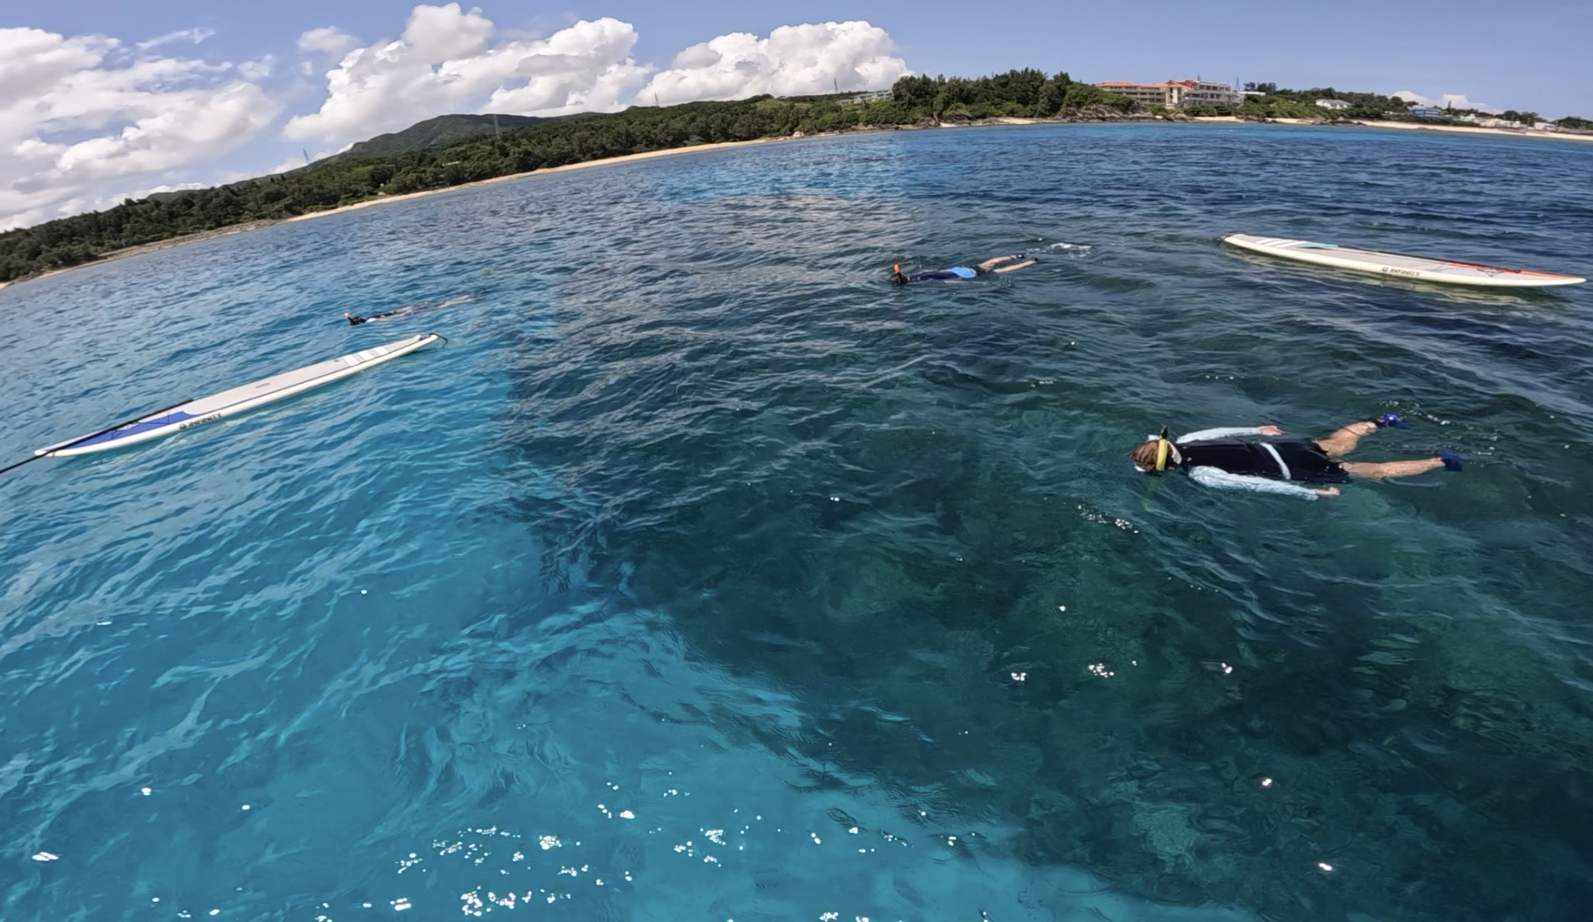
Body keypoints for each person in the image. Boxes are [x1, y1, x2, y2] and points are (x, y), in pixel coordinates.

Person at [1128, 413, 1462, 500]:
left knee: (1374, 471)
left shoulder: (1203, 475)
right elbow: (1217, 432)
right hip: (1284, 447)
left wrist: (1310, 493)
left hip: (1293, 467)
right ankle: (1381, 422)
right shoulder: (1187, 440)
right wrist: (1259, 430)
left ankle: (1440, 461)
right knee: (1337, 443)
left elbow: (1258, 487)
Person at [890, 253, 1037, 285]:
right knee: (993, 261)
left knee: (1005, 270)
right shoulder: (919, 275)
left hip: (971, 275)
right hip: (964, 270)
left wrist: (968, 284)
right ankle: (1017, 256)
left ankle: (1030, 262)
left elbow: (946, 281)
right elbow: (939, 273)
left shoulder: (922, 281)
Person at [345, 294, 473, 325]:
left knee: (438, 307)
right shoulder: (369, 317)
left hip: (405, 313)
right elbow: (393, 313)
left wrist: (404, 316)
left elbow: (388, 319)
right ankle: (463, 298)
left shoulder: (369, 321)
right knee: (438, 304)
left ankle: (463, 299)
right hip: (402, 311)